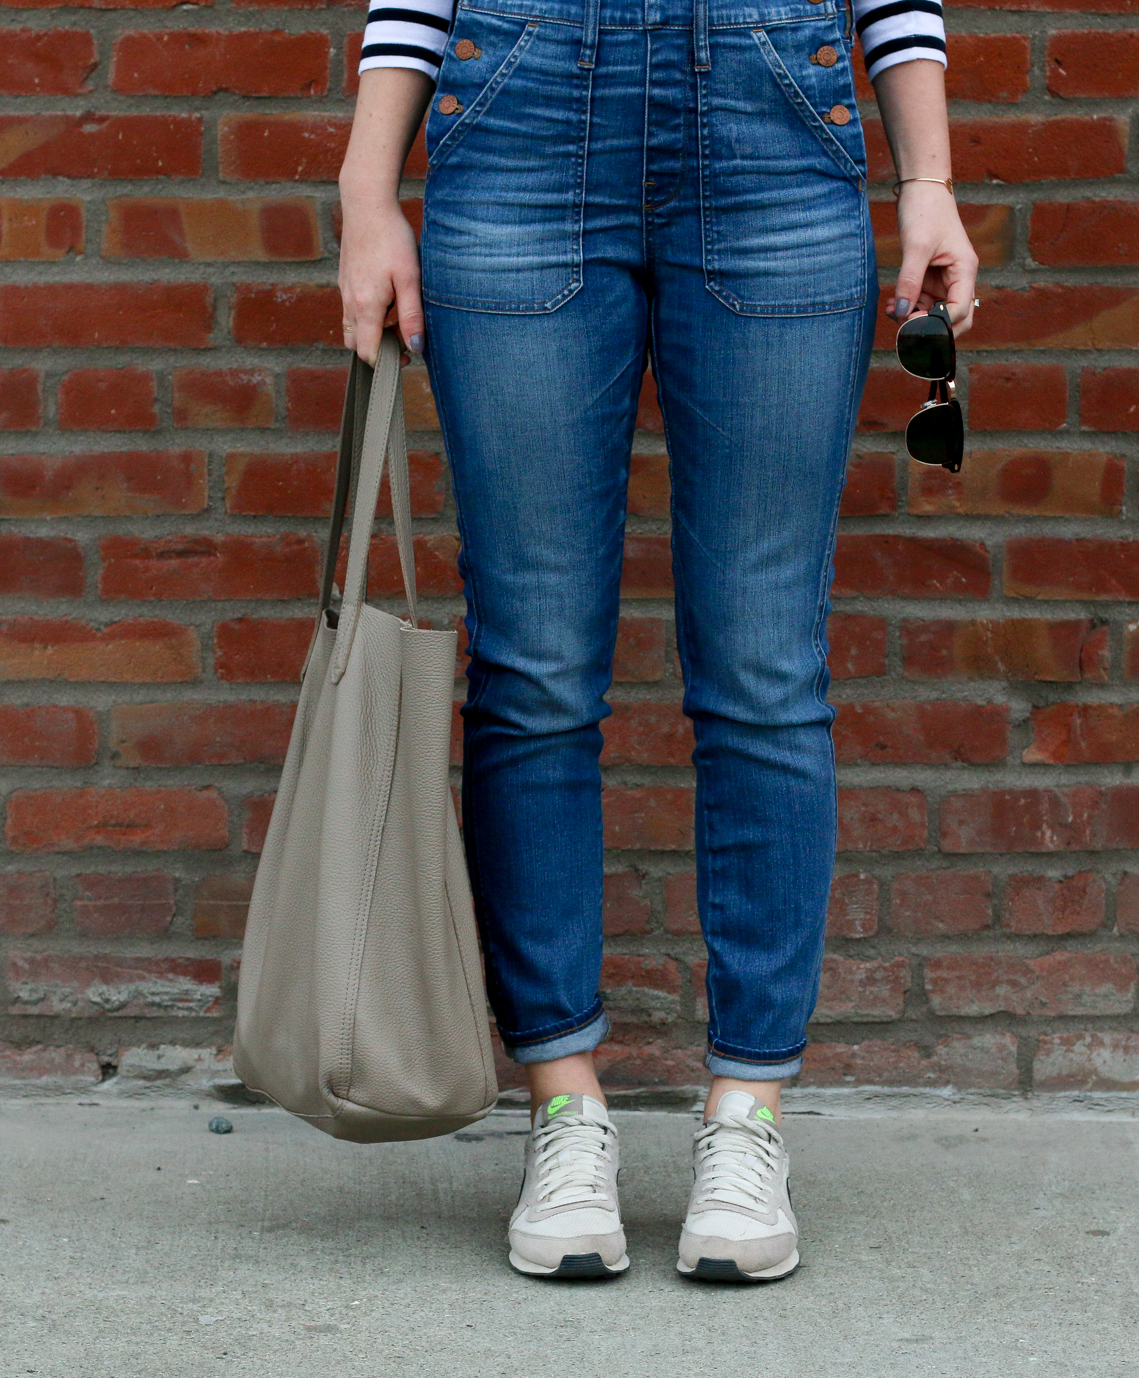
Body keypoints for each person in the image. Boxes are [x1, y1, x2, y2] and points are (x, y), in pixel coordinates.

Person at [335, 0, 976, 1281]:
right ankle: (562, 1106)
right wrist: (366, 188)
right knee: (531, 671)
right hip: (518, 109)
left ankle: (746, 1115)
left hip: (770, 115)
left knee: (762, 666)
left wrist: (929, 180)